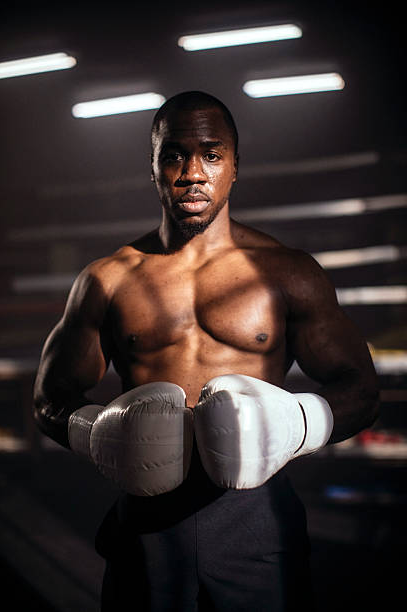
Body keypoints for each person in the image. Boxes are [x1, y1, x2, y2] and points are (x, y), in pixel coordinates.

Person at [33, 91, 379, 611]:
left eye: (212, 155)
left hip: (256, 517)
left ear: (235, 166)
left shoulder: (287, 273)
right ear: (153, 168)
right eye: (173, 154)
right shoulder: (107, 280)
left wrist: (297, 422)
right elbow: (49, 397)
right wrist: (98, 432)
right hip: (146, 519)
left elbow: (360, 386)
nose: (192, 172)